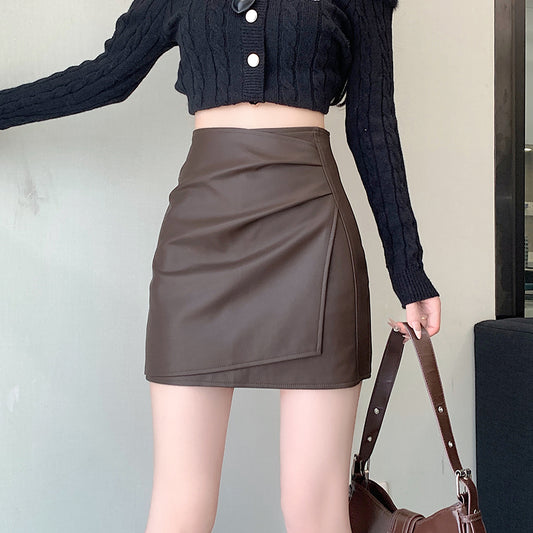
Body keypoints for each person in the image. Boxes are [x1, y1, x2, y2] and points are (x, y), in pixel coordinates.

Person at [0, 0, 441, 531]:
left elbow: (372, 126)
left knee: (315, 507)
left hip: (313, 235)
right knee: (180, 501)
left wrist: (409, 272)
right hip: (200, 236)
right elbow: (109, 75)